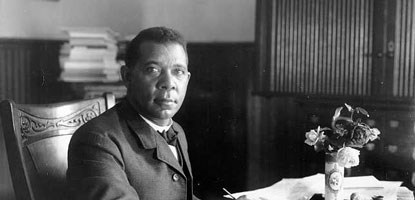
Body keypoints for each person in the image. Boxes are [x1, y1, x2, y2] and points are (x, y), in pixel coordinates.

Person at [66, 26, 199, 200]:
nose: (168, 83)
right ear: (127, 76)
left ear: (187, 79)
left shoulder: (176, 131)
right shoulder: (97, 140)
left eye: (178, 72)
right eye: (153, 69)